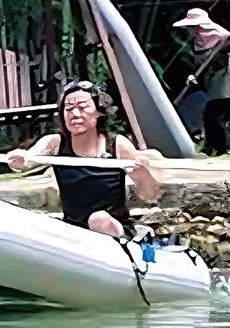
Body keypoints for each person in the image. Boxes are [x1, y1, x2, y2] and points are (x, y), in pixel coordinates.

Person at [8, 81, 163, 240]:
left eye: (82, 107)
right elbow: (27, 160)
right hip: (75, 232)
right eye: (69, 108)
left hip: (114, 231)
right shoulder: (55, 142)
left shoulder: (118, 144)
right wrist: (18, 159)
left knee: (99, 220)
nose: (75, 114)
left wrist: (143, 175)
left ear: (99, 112)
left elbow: (150, 196)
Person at [172, 7, 230, 155]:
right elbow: (198, 64)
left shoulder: (220, 38)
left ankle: (222, 149)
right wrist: (191, 75)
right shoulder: (198, 41)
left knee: (216, 116)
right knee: (209, 116)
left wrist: (225, 47)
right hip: (212, 80)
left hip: (225, 78)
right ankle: (209, 146)